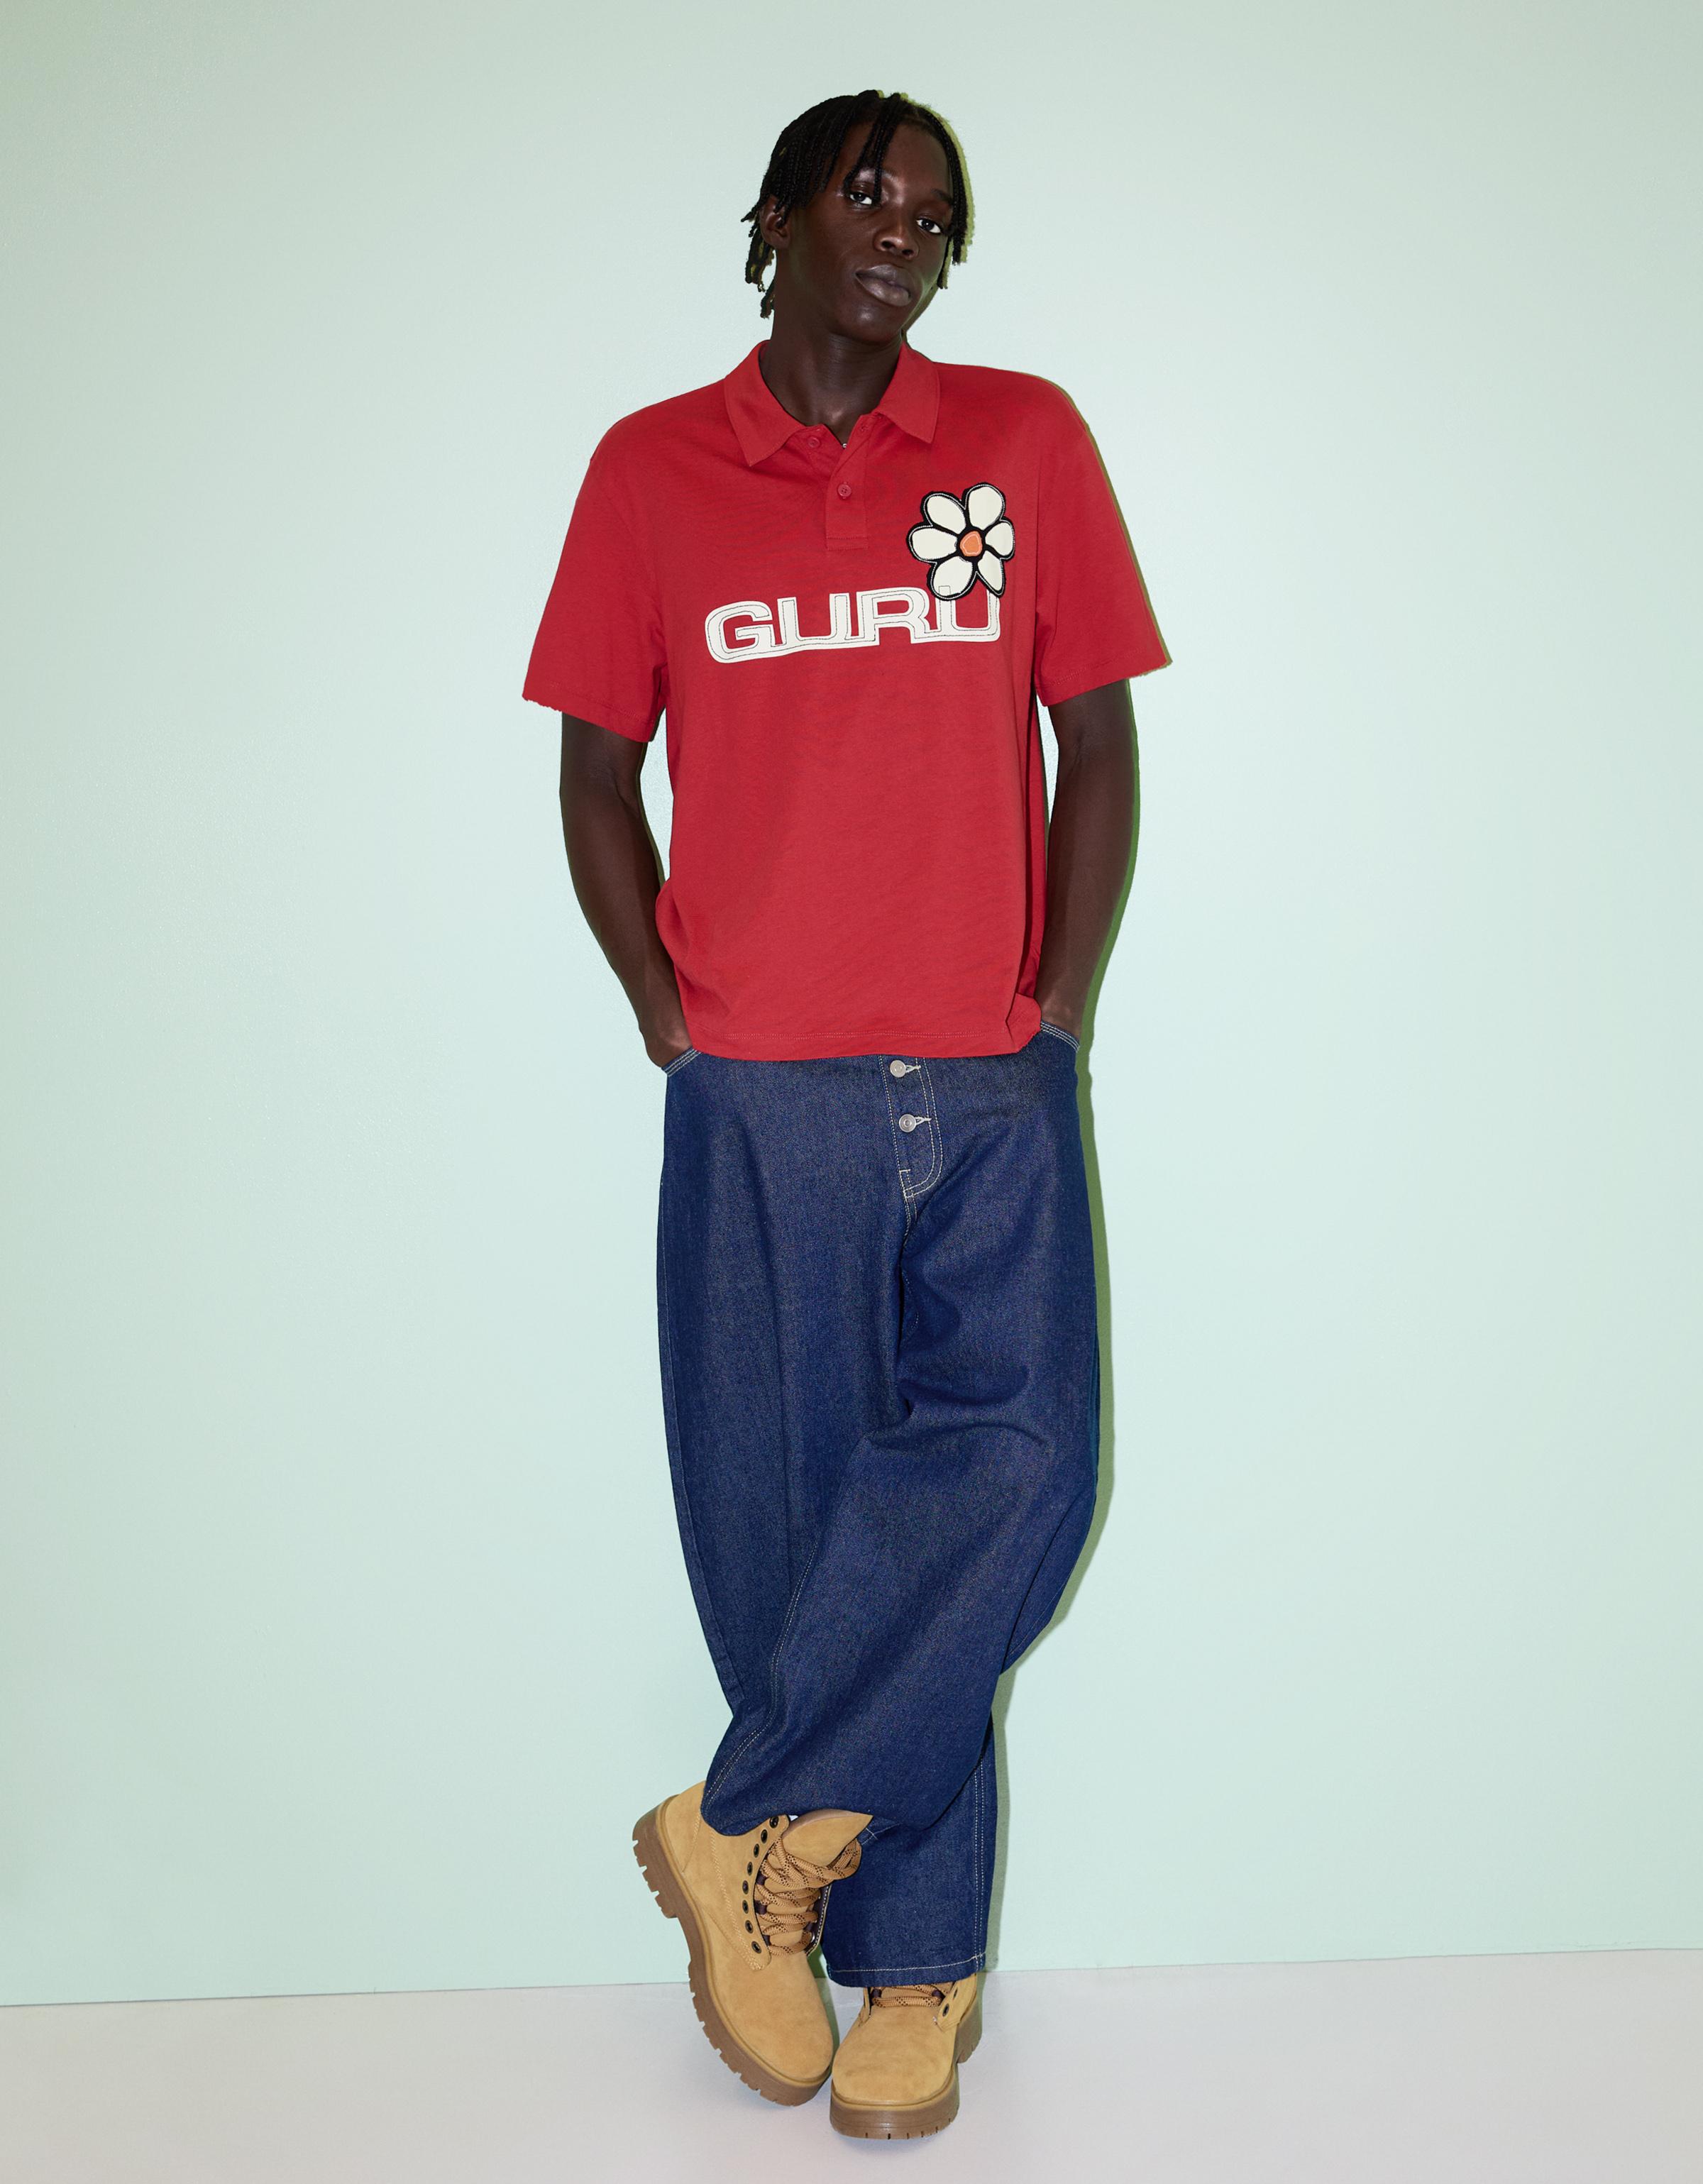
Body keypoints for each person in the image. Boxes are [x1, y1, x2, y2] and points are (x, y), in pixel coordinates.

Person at [522, 87, 1169, 2141]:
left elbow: (1098, 744)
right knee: (796, 1523)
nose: (904, 234)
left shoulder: (1023, 444)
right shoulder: (649, 471)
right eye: (869, 194)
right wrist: (672, 1019)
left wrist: (1057, 1016)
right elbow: (593, 773)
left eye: (937, 217)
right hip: (765, 1089)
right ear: (780, 218)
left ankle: (750, 1833)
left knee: (1020, 1470)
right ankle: (902, 1961)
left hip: (987, 1071)